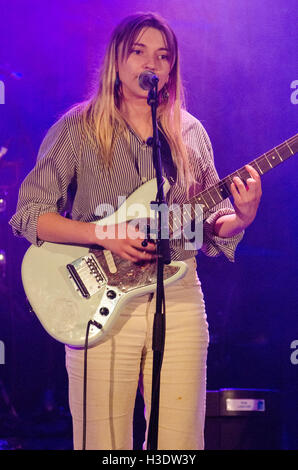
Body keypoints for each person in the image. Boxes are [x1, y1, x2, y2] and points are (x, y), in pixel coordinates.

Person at [9, 12, 262, 450]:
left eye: (164, 56)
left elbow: (210, 219)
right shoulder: (78, 128)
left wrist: (240, 216)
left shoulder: (189, 132)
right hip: (98, 301)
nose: (153, 63)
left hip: (179, 298)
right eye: (140, 51)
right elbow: (30, 214)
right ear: (117, 61)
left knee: (180, 446)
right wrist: (102, 234)